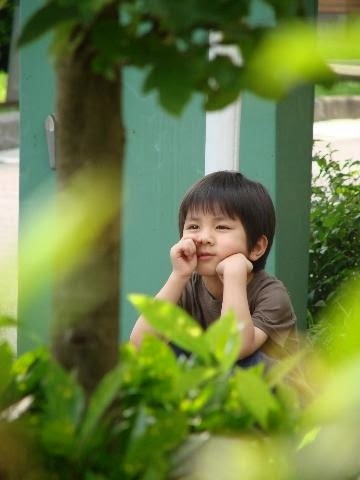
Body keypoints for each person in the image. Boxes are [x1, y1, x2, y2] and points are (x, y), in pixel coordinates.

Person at [130, 170, 298, 366]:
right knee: (171, 349)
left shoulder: (272, 295)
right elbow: (141, 343)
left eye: (221, 227)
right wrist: (179, 275)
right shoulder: (189, 287)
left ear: (257, 247)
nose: (203, 238)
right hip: (219, 388)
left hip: (278, 392)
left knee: (250, 360)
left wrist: (234, 276)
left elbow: (233, 349)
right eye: (193, 227)